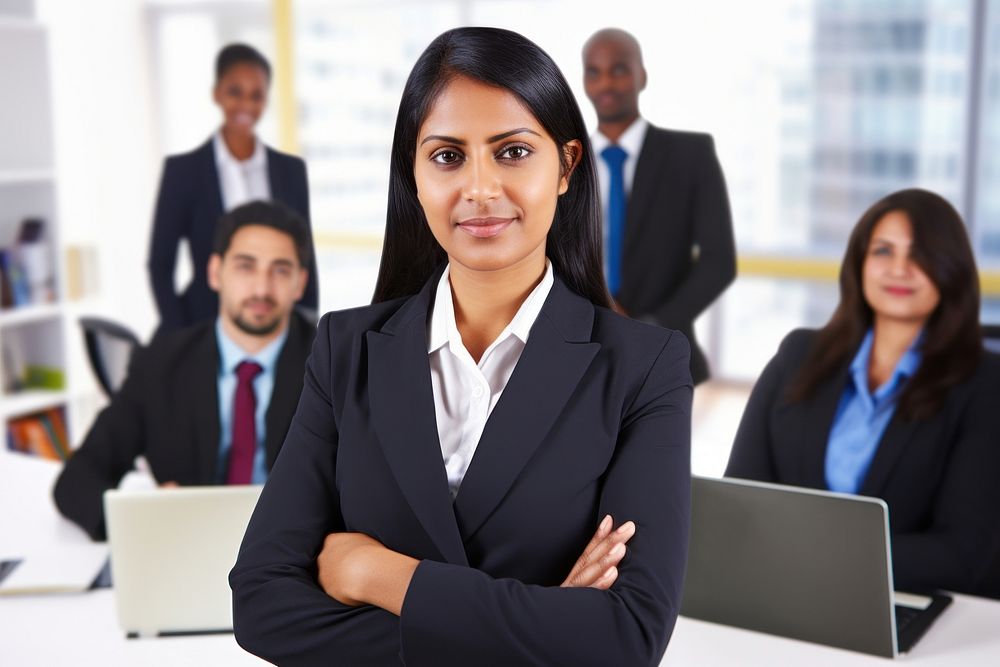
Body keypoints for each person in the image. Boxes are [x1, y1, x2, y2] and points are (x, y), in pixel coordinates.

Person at [230, 27, 692, 666]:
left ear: (566, 166)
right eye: (448, 156)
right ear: (414, 177)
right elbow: (260, 603)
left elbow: (627, 637)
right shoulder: (345, 349)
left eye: (512, 152)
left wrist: (377, 574)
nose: (479, 188)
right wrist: (544, 629)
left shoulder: (644, 368)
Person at [725, 188, 1000, 598]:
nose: (900, 269)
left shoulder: (984, 383)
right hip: (785, 593)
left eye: (920, 254)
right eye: (883, 251)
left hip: (905, 602)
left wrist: (813, 557)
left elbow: (963, 553)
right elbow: (739, 500)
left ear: (952, 269)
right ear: (860, 263)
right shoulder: (798, 356)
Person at [55, 200, 316, 541]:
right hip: (186, 543)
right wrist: (143, 520)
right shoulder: (161, 362)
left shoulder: (334, 363)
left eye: (280, 270)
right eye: (245, 267)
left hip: (295, 552)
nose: (261, 289)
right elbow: (77, 479)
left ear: (299, 283)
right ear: (214, 272)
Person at [582, 28, 736, 385]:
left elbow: (719, 261)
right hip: (580, 350)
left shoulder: (690, 156)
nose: (606, 82)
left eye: (619, 69)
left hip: (662, 349)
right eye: (594, 72)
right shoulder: (567, 165)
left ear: (642, 76)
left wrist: (651, 325)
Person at [148, 43, 318, 333]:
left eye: (257, 96)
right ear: (217, 93)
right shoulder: (183, 172)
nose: (246, 106)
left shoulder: (290, 171)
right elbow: (160, 265)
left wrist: (307, 326)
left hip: (276, 324)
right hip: (203, 325)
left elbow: (305, 256)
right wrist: (179, 335)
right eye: (235, 92)